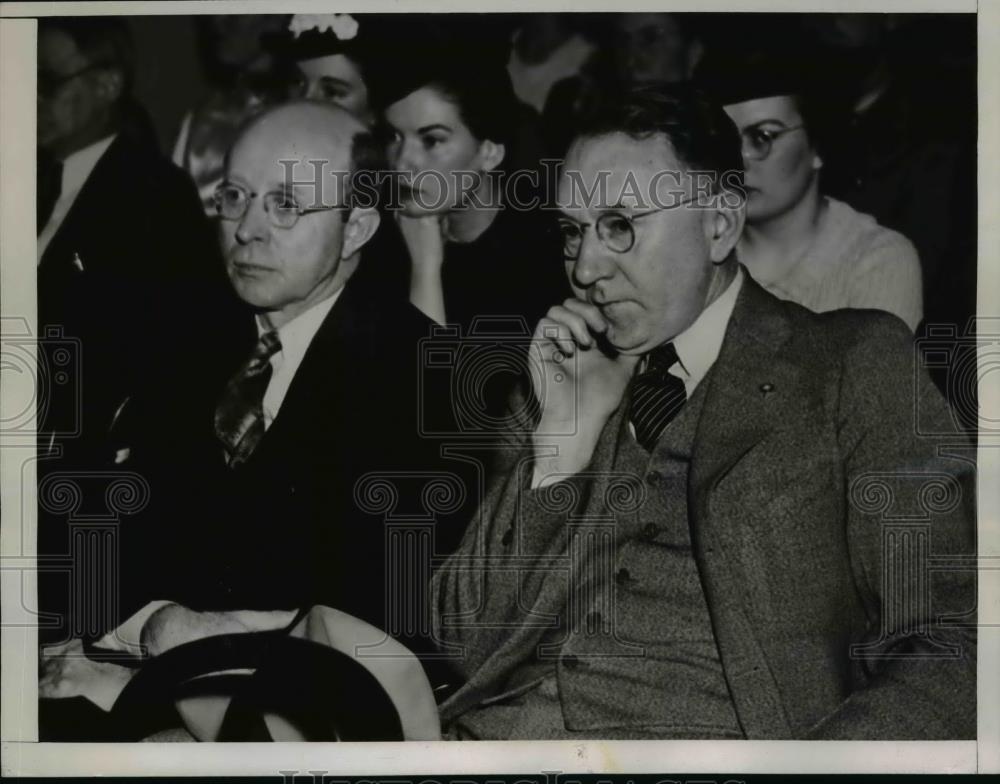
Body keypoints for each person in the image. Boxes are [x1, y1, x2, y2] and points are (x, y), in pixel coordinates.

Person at [430, 85, 975, 740]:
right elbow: (460, 643)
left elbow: (954, 643)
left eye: (621, 225)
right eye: (573, 232)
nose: (585, 267)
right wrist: (559, 451)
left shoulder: (847, 364)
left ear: (719, 224)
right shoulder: (563, 374)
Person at [38, 102, 470, 737]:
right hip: (119, 677)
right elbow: (89, 529)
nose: (246, 229)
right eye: (235, 196)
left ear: (356, 228)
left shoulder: (424, 377)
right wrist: (153, 627)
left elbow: (380, 610)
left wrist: (173, 649)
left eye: (287, 205)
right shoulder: (181, 335)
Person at [35, 17, 233, 646]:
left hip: (88, 487)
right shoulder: (32, 179)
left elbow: (165, 360)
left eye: (46, 80)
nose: (26, 97)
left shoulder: (151, 194)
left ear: (108, 82)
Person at [702, 51, 923, 330]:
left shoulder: (876, 260)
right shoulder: (699, 246)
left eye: (763, 137)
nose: (739, 159)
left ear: (818, 146)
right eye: (727, 141)